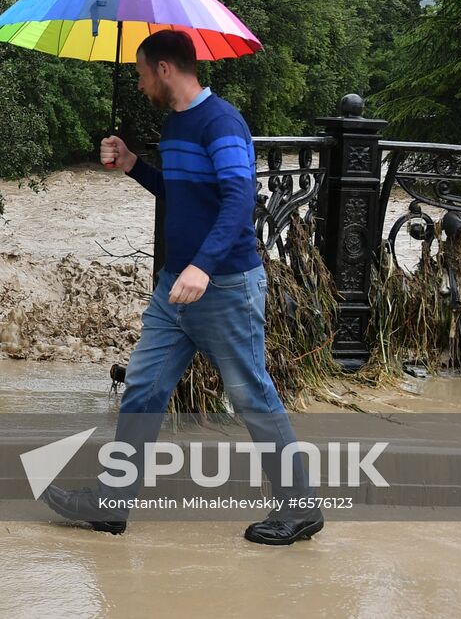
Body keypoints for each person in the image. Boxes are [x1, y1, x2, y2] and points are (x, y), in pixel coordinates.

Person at [41, 28, 322, 545]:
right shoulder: (174, 127)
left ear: (165, 68)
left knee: (250, 393)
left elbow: (240, 199)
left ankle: (299, 509)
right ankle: (112, 505)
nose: (141, 82)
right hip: (175, 291)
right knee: (144, 388)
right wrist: (132, 166)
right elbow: (183, 193)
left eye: (143, 72)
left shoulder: (222, 123)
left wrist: (204, 267)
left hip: (224, 285)